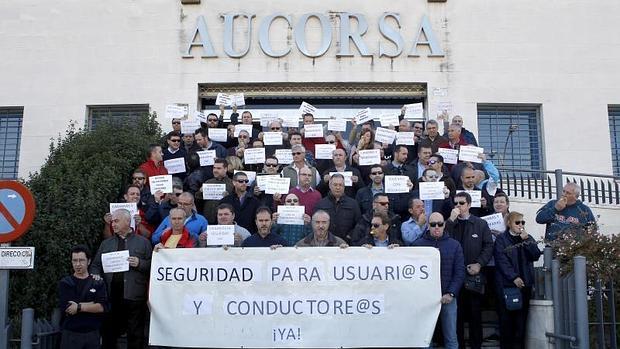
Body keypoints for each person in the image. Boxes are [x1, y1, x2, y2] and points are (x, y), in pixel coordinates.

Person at [90, 209, 151, 349]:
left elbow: (153, 267)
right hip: (111, 296)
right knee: (109, 334)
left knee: (135, 335)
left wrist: (140, 263)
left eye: (116, 221)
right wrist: (96, 275)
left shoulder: (143, 243)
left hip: (134, 296)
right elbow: (95, 265)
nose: (113, 224)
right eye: (112, 222)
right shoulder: (106, 244)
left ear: (127, 222)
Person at [445, 192, 494, 349]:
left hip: (473, 275)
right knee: (456, 316)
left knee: (474, 314)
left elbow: (488, 245)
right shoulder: (451, 223)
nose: (458, 206)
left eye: (461, 203)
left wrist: (479, 264)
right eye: (456, 203)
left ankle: (476, 345)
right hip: (454, 276)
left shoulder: (480, 224)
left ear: (469, 205)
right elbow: (444, 238)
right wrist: (451, 220)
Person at [413, 212, 465, 349]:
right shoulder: (417, 245)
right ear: (428, 226)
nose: (437, 227)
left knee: (451, 337)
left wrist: (451, 293)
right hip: (425, 299)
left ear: (444, 225)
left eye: (440, 224)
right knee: (424, 339)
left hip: (448, 297)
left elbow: (459, 272)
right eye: (433, 224)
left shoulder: (455, 245)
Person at [494, 212, 542, 349]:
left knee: (521, 323)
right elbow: (501, 260)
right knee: (506, 322)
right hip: (506, 286)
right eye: (517, 222)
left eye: (522, 222)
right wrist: (513, 277)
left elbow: (535, 255)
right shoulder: (501, 239)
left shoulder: (527, 238)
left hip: (524, 286)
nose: (520, 225)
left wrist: (526, 241)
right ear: (509, 223)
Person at [58, 245, 108, 349]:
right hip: (71, 334)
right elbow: (68, 308)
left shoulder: (97, 282)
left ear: (88, 261)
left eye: (81, 260)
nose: (78, 264)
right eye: (74, 260)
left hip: (92, 334)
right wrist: (92, 304)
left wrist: (79, 307)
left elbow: (102, 307)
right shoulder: (65, 283)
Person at [313, 174, 361, 243]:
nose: (338, 187)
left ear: (344, 186)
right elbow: (315, 223)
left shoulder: (353, 204)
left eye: (340, 185)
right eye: (335, 185)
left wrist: (350, 236)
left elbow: (359, 224)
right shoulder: (320, 204)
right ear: (330, 186)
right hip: (326, 243)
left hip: (347, 243)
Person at [200, 158, 234, 224]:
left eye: (218, 168)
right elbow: (199, 201)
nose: (215, 170)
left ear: (225, 169)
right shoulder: (208, 182)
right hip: (208, 218)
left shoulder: (232, 183)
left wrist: (228, 197)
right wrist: (200, 192)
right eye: (214, 168)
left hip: (224, 220)